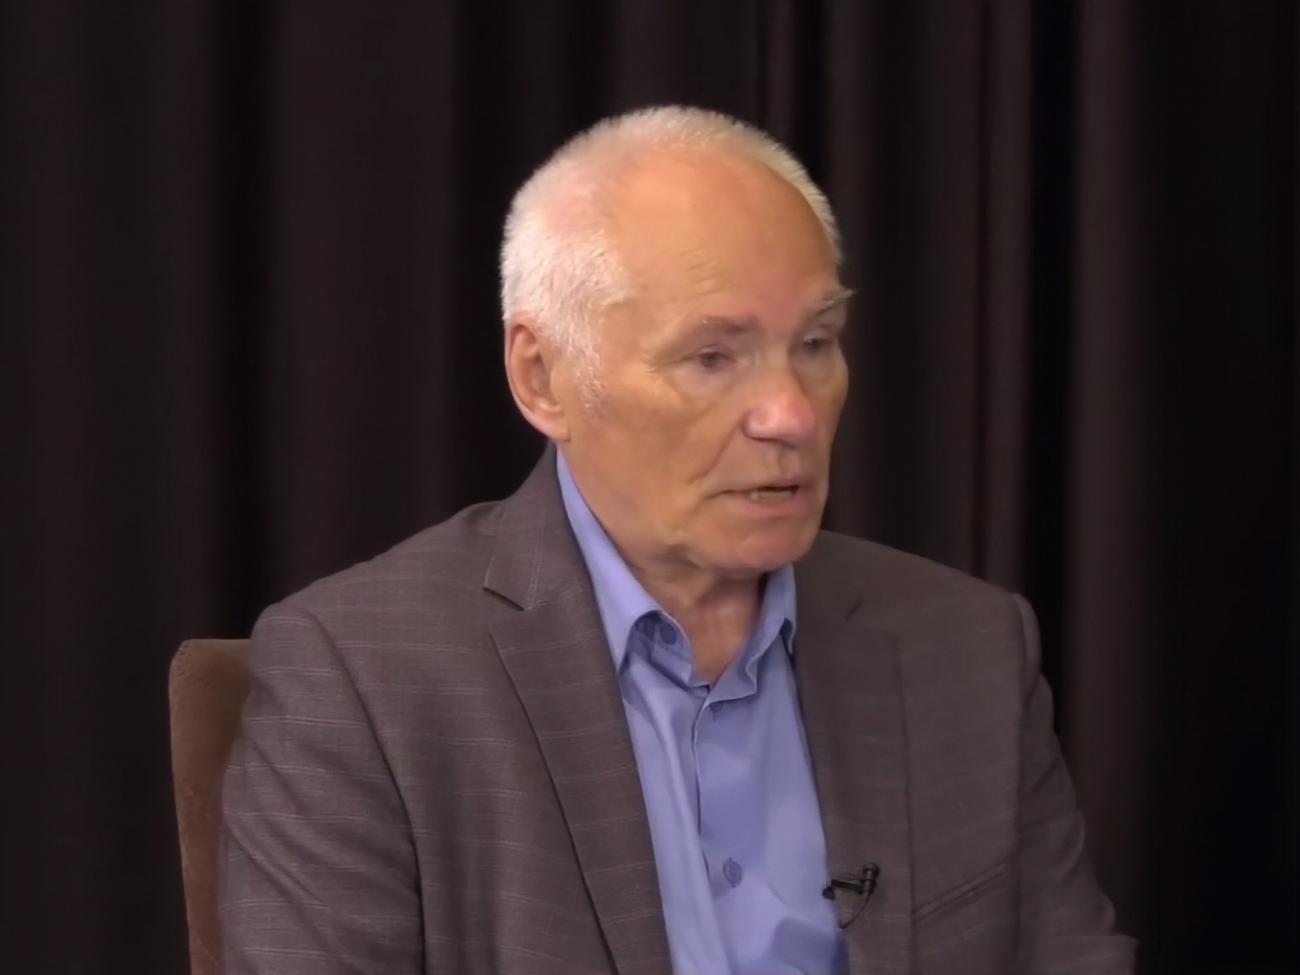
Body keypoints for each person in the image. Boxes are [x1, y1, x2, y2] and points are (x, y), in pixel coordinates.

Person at [220, 105, 1135, 975]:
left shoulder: (969, 649)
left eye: (816, 343)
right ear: (542, 378)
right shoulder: (363, 679)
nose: (790, 415)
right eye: (712, 357)